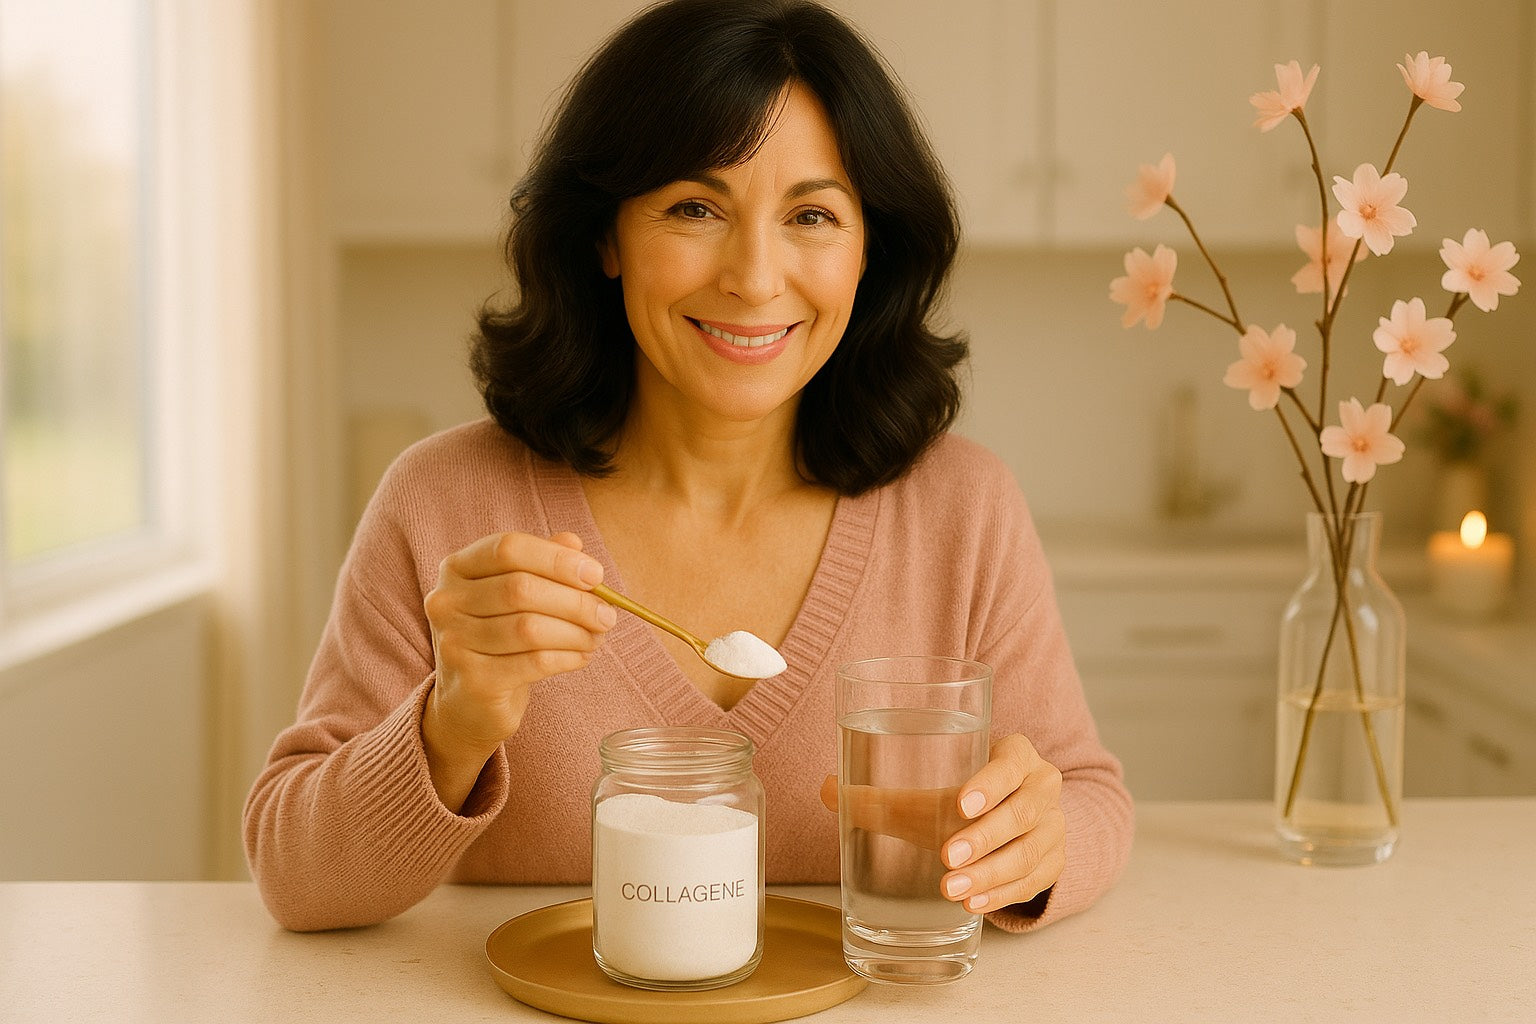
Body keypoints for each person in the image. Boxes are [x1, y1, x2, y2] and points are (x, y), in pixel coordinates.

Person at [244, 0, 1133, 934]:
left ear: (871, 250)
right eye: (695, 208)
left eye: (812, 215)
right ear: (605, 235)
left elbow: (1085, 797)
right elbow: (297, 881)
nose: (754, 277)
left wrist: (1032, 842)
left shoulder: (963, 508)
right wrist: (451, 724)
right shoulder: (443, 502)